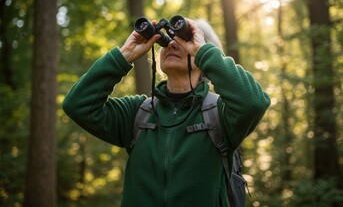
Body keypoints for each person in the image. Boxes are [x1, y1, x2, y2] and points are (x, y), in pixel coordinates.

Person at [62, 17, 270, 207]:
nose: (172, 44)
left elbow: (254, 102)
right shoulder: (137, 113)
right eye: (169, 40)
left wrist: (203, 52)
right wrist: (124, 56)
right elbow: (78, 104)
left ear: (204, 56)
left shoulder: (220, 114)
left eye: (183, 40)